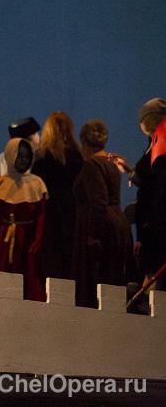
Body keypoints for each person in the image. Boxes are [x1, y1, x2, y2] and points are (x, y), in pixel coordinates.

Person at [71, 119, 131, 308]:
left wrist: (92, 235)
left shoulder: (93, 164)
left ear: (84, 140)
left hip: (101, 229)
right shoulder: (111, 164)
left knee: (95, 286)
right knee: (113, 284)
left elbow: (98, 201)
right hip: (118, 226)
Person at [0, 138, 48, 300]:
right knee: (5, 281)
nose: (23, 160)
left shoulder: (37, 183)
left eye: (26, 157)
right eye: (19, 156)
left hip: (27, 241)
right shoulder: (1, 183)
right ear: (10, 156)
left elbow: (41, 215)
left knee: (29, 282)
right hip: (5, 241)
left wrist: (38, 240)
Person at [32, 112, 83, 281]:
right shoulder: (77, 157)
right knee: (69, 260)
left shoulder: (42, 157)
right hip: (71, 211)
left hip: (48, 213)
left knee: (50, 262)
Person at [131, 98, 166, 292]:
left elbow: (153, 184)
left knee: (156, 279)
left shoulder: (161, 144)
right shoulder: (152, 143)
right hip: (149, 223)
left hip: (156, 224)